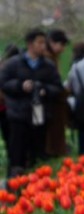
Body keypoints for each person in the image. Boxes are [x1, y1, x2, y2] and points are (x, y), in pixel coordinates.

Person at [0, 29, 63, 178]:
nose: (43, 46)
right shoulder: (14, 63)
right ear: (30, 44)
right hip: (18, 114)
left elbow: (57, 87)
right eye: (39, 42)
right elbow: (3, 83)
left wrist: (45, 89)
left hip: (40, 115)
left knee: (37, 154)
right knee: (17, 154)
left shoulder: (48, 66)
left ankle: (37, 183)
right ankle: (15, 184)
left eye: (44, 43)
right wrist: (20, 86)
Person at [44, 29, 69, 158]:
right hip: (50, 103)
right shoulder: (46, 59)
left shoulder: (53, 58)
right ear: (52, 43)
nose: (63, 49)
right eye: (61, 45)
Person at [0, 45, 20, 165]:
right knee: (13, 139)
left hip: (5, 109)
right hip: (9, 109)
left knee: (9, 139)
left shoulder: (3, 66)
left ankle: (12, 163)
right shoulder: (9, 69)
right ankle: (13, 164)